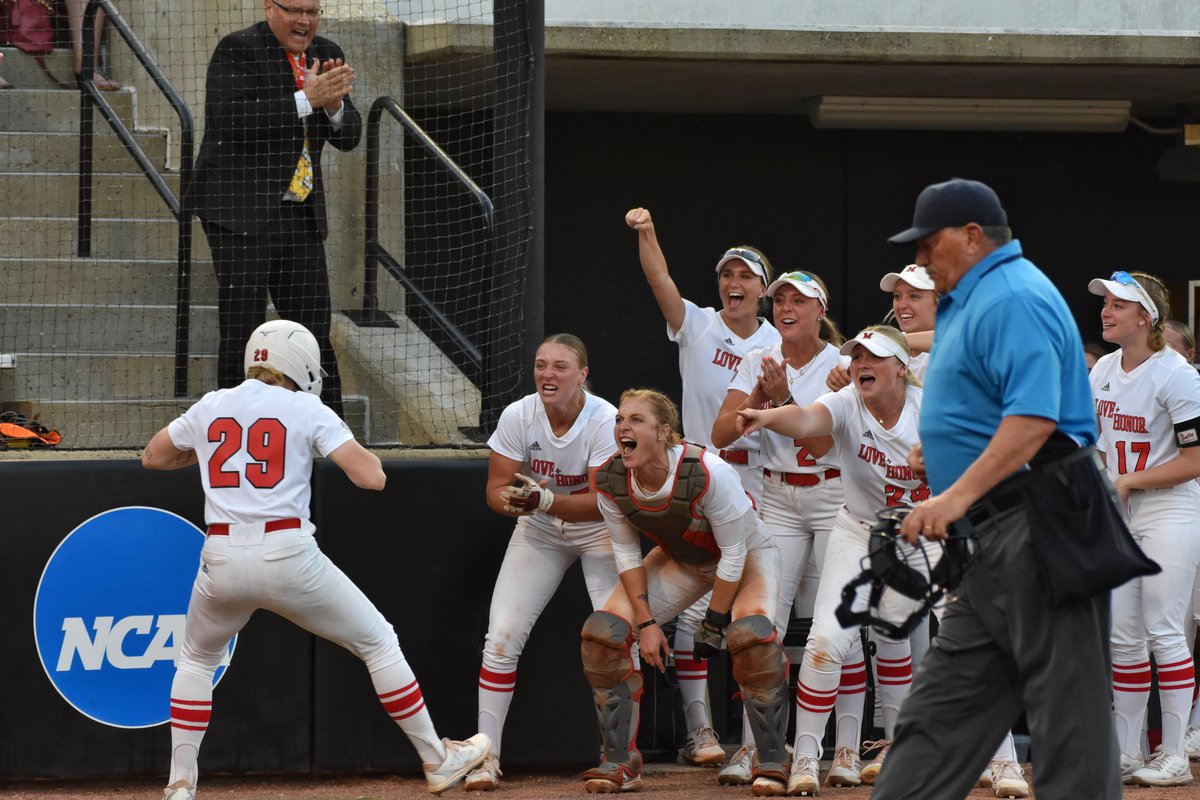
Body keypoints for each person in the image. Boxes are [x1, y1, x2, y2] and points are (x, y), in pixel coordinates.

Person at [141, 319, 490, 800]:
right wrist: (320, 447)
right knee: (378, 643)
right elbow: (372, 478)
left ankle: (180, 782)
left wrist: (203, 455)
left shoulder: (212, 403)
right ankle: (436, 759)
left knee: (196, 661)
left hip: (220, 556)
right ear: (300, 364)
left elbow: (154, 456)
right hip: (286, 554)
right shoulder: (306, 406)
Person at [870, 177, 1122, 800]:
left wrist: (955, 493)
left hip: (1043, 519)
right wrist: (951, 452)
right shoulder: (970, 297)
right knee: (938, 715)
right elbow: (994, 405)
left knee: (1070, 724)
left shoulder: (1013, 294)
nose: (923, 258)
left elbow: (1035, 418)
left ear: (972, 236)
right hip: (994, 537)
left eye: (930, 243)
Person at [736, 325, 931, 796]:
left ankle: (998, 759)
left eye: (875, 357)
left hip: (923, 535)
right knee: (825, 640)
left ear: (901, 368)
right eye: (857, 356)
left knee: (966, 638)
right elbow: (805, 420)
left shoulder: (930, 410)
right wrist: (768, 418)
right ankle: (805, 757)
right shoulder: (846, 403)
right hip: (858, 531)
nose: (862, 363)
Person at [625, 206, 781, 770]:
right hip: (696, 474)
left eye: (745, 276)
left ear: (763, 290)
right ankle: (701, 730)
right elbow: (658, 279)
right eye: (726, 274)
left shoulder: (777, 343)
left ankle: (759, 741)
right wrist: (648, 231)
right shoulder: (698, 323)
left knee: (759, 615)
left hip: (760, 482)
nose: (733, 283)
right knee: (692, 616)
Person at [581, 388, 786, 794]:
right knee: (604, 635)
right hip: (683, 559)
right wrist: (648, 624)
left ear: (663, 432)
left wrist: (713, 623)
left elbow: (733, 552)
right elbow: (626, 554)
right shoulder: (611, 480)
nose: (624, 426)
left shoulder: (707, 470)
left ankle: (773, 761)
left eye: (636, 420)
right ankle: (622, 762)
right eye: (620, 419)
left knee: (751, 639)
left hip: (746, 556)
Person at [712, 271, 869, 787]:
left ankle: (844, 750)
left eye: (797, 300)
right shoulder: (759, 357)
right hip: (777, 493)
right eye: (779, 298)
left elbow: (822, 447)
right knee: (762, 623)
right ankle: (756, 748)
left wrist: (779, 404)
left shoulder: (843, 365)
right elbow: (719, 435)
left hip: (833, 493)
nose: (785, 307)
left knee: (837, 623)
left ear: (819, 309)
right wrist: (759, 393)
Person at [184, 0, 359, 416]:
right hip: (238, 211)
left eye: (313, 11)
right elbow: (230, 119)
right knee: (243, 326)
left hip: (300, 213)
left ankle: (329, 433)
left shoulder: (327, 52)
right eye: (295, 10)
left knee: (313, 331)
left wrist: (333, 106)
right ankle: (231, 425)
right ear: (269, 8)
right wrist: (307, 99)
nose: (305, 21)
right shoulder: (238, 48)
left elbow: (349, 136)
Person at [464, 334, 621, 791]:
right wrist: (511, 502)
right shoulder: (519, 413)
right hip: (540, 528)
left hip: (600, 531)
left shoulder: (604, 418)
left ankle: (617, 758)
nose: (547, 375)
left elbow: (601, 505)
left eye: (560, 367)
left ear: (583, 374)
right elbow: (495, 488)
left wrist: (544, 498)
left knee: (614, 641)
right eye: (541, 365)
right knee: (501, 638)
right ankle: (486, 759)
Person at [1087, 272, 1200, 786]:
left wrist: (1129, 481)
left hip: (1168, 508)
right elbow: (1094, 442)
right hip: (1121, 511)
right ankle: (1129, 751)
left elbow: (1196, 459)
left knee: (1165, 631)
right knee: (1124, 638)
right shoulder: (1105, 368)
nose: (1106, 311)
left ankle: (1174, 755)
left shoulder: (1177, 373)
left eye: (1118, 305)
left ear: (1145, 317)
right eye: (1105, 303)